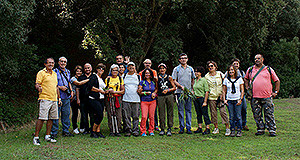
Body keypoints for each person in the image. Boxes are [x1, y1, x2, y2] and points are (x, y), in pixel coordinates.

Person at [244, 54, 280, 137]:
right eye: (255, 59)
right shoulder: (250, 70)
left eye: (258, 58)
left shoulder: (268, 69)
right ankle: (260, 129)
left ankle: (271, 129)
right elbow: (246, 78)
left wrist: (276, 92)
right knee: (257, 114)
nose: (257, 60)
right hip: (254, 96)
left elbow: (277, 81)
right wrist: (247, 87)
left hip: (266, 96)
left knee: (269, 113)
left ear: (262, 59)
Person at [33, 58, 61, 145]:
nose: (51, 64)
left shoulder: (55, 74)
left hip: (54, 99)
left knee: (51, 118)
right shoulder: (41, 73)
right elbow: (37, 84)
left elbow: (56, 87)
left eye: (52, 63)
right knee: (42, 118)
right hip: (45, 98)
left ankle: (48, 136)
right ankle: (36, 137)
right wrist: (39, 88)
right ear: (45, 64)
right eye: (49, 63)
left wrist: (58, 98)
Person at [172, 53, 196, 134]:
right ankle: (181, 127)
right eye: (182, 58)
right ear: (179, 60)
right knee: (181, 110)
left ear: (187, 59)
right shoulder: (176, 69)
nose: (183, 59)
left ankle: (188, 127)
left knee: (188, 110)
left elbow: (193, 79)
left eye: (185, 58)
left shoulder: (190, 69)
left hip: (188, 93)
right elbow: (174, 80)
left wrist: (192, 89)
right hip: (180, 92)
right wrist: (180, 86)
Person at [205, 61, 230, 136]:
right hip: (212, 97)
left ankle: (227, 128)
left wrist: (223, 95)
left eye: (212, 66)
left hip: (220, 95)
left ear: (215, 67)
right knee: (213, 113)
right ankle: (216, 128)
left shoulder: (220, 74)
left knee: (223, 112)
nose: (210, 67)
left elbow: (224, 84)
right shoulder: (206, 76)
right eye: (209, 66)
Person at [51, 57, 74, 137]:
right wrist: (60, 87)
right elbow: (52, 83)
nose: (63, 63)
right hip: (57, 96)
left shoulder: (68, 72)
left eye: (64, 62)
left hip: (66, 97)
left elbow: (69, 82)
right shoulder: (54, 72)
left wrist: (71, 91)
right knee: (56, 115)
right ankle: (54, 132)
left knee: (66, 114)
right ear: (58, 62)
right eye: (61, 61)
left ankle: (66, 131)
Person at [225, 58, 249, 131]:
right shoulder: (227, 73)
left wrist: (245, 90)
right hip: (231, 96)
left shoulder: (241, 72)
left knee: (244, 109)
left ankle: (243, 124)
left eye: (237, 64)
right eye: (234, 64)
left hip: (240, 94)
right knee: (233, 112)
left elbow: (245, 81)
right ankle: (235, 125)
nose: (236, 65)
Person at [223, 65, 244, 137]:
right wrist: (224, 99)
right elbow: (224, 91)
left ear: (235, 71)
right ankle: (232, 130)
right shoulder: (226, 80)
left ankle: (239, 130)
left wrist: (240, 99)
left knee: (238, 116)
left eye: (232, 70)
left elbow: (242, 90)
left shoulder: (239, 79)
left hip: (237, 99)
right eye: (229, 70)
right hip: (229, 100)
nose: (231, 71)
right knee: (231, 116)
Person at [138, 59, 159, 131]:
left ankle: (152, 128)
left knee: (152, 116)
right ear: (144, 64)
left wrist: (154, 93)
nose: (147, 64)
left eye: (149, 63)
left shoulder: (154, 74)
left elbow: (156, 87)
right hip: (144, 100)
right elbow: (139, 90)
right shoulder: (141, 75)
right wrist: (143, 92)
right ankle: (143, 129)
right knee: (144, 116)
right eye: (146, 63)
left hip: (152, 100)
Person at [105, 64, 125, 137]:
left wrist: (115, 92)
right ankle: (112, 130)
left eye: (116, 70)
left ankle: (118, 129)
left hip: (117, 98)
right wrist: (108, 91)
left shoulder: (120, 79)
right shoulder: (108, 79)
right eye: (113, 70)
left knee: (118, 115)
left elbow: (123, 91)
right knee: (110, 114)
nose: (115, 72)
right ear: (111, 71)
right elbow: (105, 89)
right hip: (109, 98)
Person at [157, 63, 176, 136]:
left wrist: (168, 90)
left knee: (170, 112)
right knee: (161, 112)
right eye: (160, 68)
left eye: (163, 68)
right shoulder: (157, 78)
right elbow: (156, 87)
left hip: (169, 95)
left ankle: (169, 128)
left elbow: (174, 87)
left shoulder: (169, 77)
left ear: (165, 69)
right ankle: (162, 128)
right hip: (160, 96)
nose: (162, 70)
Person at [122, 62, 141, 137]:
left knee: (136, 116)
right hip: (126, 99)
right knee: (126, 116)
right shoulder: (124, 76)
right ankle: (128, 130)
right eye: (129, 66)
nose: (131, 67)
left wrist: (140, 89)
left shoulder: (138, 76)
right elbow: (122, 86)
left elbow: (140, 85)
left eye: (132, 66)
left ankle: (135, 130)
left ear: (135, 67)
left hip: (136, 99)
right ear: (127, 68)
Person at [88, 63, 107, 138]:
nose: (101, 70)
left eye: (102, 69)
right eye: (99, 68)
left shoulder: (101, 79)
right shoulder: (93, 76)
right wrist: (100, 90)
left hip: (101, 99)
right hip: (94, 98)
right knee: (99, 115)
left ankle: (98, 131)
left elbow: (104, 88)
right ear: (97, 69)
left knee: (99, 115)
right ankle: (93, 131)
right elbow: (91, 87)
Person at [70, 65, 90, 134]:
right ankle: (75, 127)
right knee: (75, 113)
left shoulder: (82, 78)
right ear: (75, 72)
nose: (78, 72)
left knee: (83, 113)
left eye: (80, 71)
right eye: (77, 71)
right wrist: (88, 79)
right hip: (74, 99)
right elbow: (78, 84)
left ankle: (82, 127)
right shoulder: (73, 79)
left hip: (82, 98)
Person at [193, 66, 211, 135]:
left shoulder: (203, 80)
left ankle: (207, 128)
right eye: (195, 71)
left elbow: (206, 91)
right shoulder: (195, 80)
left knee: (205, 113)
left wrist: (205, 101)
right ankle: (199, 127)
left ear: (201, 73)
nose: (196, 73)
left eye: (197, 72)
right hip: (196, 99)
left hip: (202, 98)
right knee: (198, 113)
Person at [76, 63, 94, 134]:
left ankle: (92, 128)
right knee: (84, 115)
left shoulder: (94, 76)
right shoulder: (81, 77)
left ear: (91, 68)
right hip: (83, 99)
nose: (87, 69)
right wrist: (78, 99)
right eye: (86, 68)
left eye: (88, 68)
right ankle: (86, 129)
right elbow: (77, 89)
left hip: (92, 99)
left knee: (92, 115)